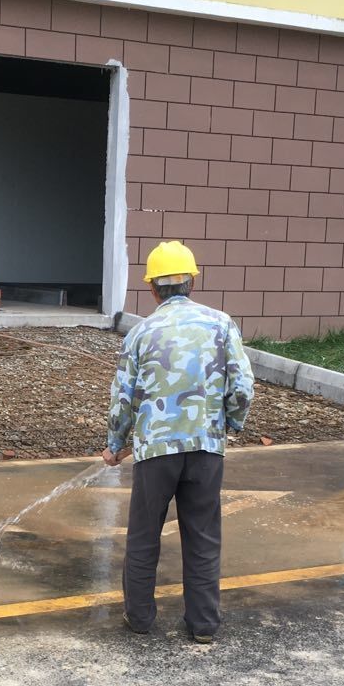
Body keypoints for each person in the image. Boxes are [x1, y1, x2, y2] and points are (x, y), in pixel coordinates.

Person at [103, 240, 255, 644]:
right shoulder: (221, 324)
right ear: (192, 282)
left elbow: (123, 398)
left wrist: (115, 443)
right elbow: (243, 387)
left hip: (155, 451)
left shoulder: (140, 332)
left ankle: (139, 618)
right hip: (206, 449)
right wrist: (231, 423)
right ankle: (203, 625)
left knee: (143, 536)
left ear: (153, 289)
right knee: (202, 536)